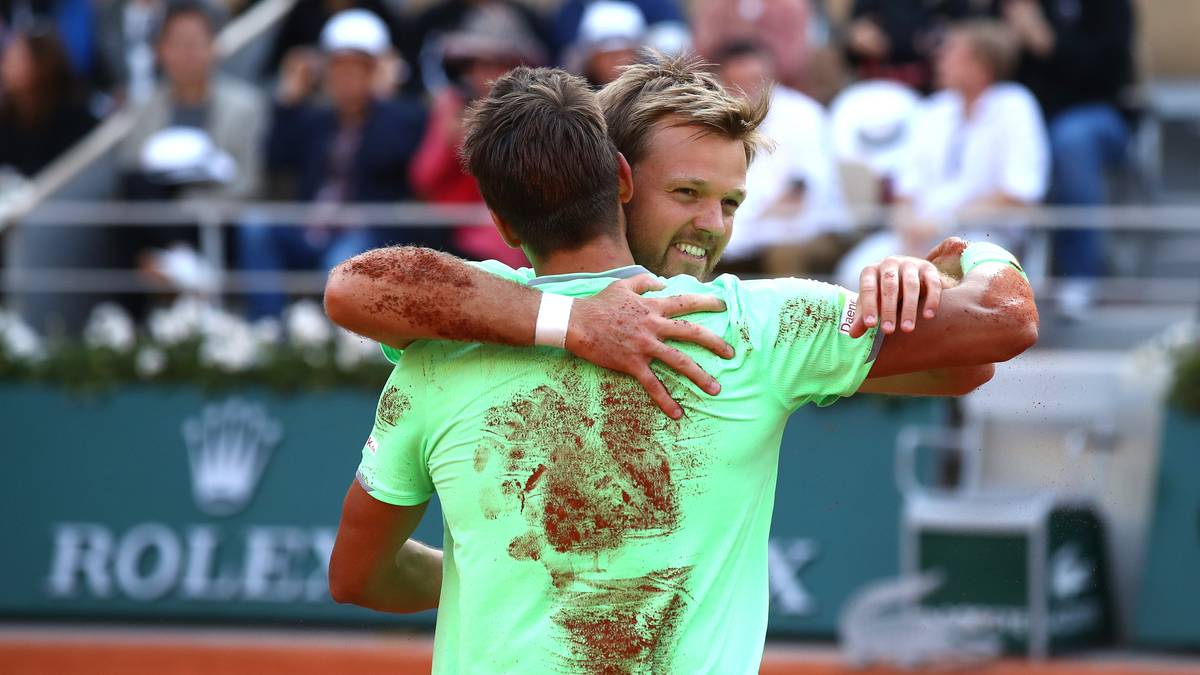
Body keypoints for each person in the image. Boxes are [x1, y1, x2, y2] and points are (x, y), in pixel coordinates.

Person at [326, 61, 1038, 673]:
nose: (713, 226)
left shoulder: (444, 342)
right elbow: (997, 326)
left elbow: (964, 365)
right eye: (687, 194)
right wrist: (973, 253)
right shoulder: (758, 328)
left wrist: (920, 279)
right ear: (618, 178)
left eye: (731, 203)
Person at [236, 9, 426, 318]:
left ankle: (333, 339)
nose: (343, 79)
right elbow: (275, 159)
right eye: (337, 69)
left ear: (373, 72)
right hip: (309, 229)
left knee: (343, 259)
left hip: (365, 234)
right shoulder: (315, 120)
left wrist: (384, 101)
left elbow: (396, 160)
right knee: (256, 226)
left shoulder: (399, 118)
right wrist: (288, 101)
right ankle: (267, 327)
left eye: (355, 69)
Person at [835, 19, 1048, 288]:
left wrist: (945, 220)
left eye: (952, 53)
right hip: (920, 235)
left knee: (947, 283)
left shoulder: (1015, 107)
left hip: (985, 239)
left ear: (981, 65)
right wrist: (908, 224)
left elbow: (1019, 193)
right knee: (855, 272)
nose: (940, 60)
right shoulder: (933, 110)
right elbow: (906, 188)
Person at [992, 0, 1135, 314]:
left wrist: (1048, 42)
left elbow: (1109, 75)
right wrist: (1006, 45)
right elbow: (989, 66)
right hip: (1027, 113)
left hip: (1096, 114)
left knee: (1071, 140)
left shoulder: (1110, 7)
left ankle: (1080, 274)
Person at [713, 40, 852, 278]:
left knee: (782, 254)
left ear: (771, 77)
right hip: (743, 227)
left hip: (811, 227)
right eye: (738, 83)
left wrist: (749, 224)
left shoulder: (804, 114)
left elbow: (801, 192)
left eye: (755, 80)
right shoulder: (714, 120)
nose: (748, 90)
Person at [118, 0, 266, 200]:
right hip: (157, 213)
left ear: (214, 45)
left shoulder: (245, 106)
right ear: (160, 50)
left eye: (195, 42)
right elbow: (132, 169)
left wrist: (191, 204)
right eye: (178, 43)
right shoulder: (143, 108)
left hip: (221, 213)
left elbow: (248, 182)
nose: (187, 53)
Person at [0, 25, 97, 178]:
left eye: (15, 60)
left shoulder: (74, 119)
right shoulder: (6, 123)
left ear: (41, 66)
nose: (5, 67)